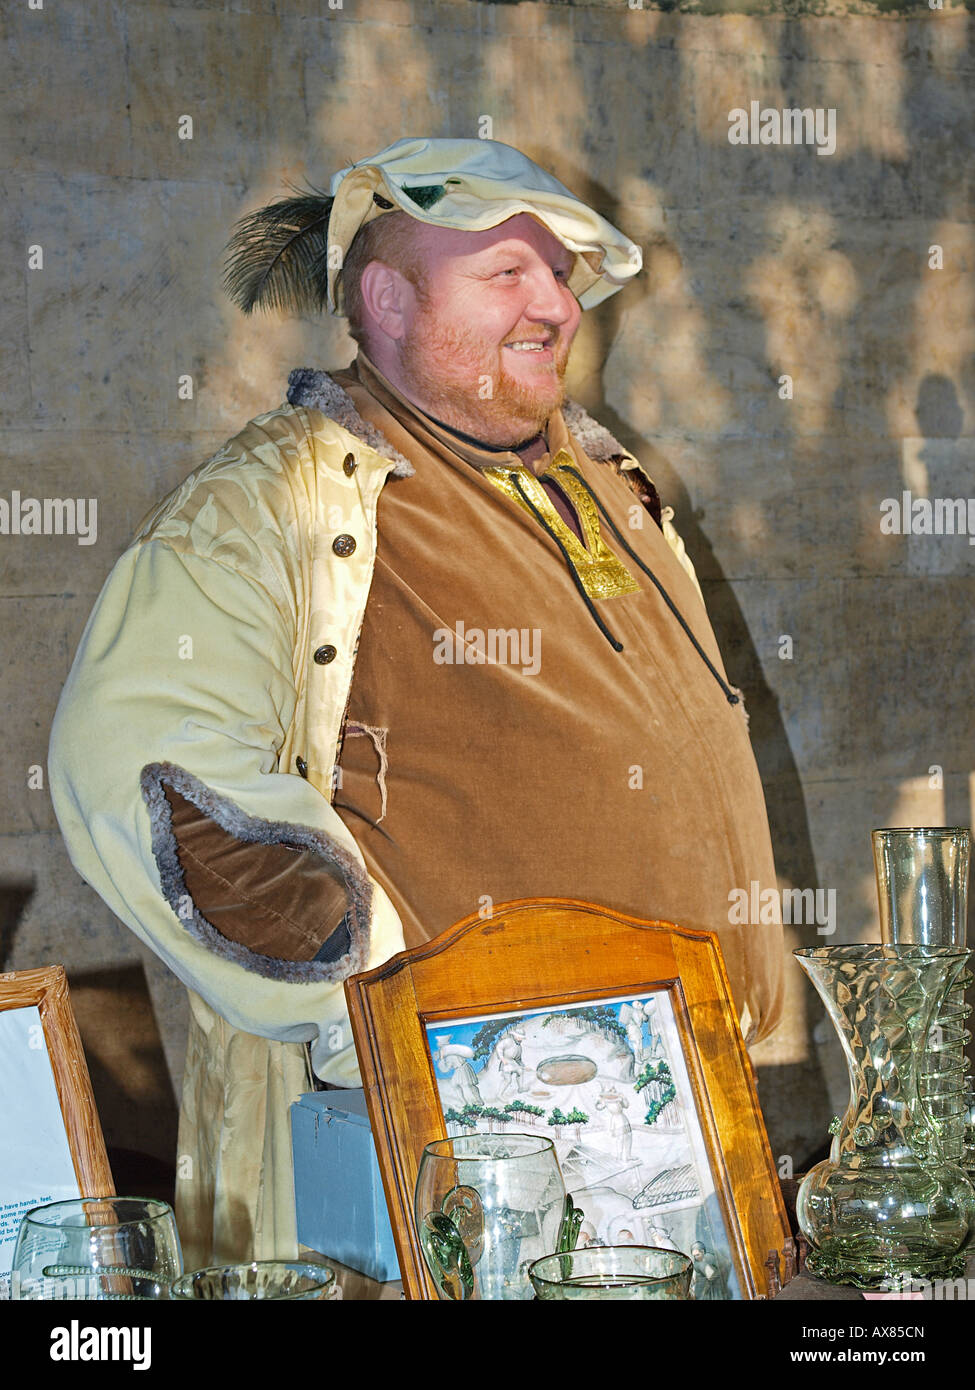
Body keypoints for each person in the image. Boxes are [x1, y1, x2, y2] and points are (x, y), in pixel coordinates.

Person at [48, 137, 784, 1268]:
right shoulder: (274, 498)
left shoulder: (606, 480)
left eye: (563, 275)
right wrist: (379, 993)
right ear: (387, 297)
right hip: (468, 1158)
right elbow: (143, 759)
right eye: (508, 276)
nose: (556, 305)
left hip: (683, 1123)